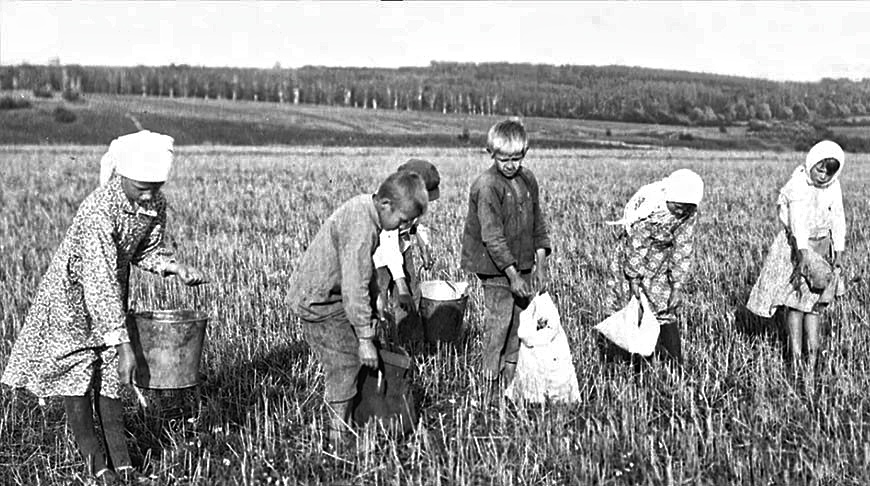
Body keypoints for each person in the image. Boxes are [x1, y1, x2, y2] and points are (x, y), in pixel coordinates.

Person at [1, 130, 207, 485]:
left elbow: (144, 250)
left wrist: (174, 267)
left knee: (111, 380)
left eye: (156, 187)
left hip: (111, 292)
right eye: (142, 187)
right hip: (73, 299)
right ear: (122, 175)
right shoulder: (99, 210)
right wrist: (123, 343)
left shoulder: (154, 203)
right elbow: (97, 282)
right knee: (79, 376)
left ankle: (123, 465)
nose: (150, 194)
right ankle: (97, 466)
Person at [288, 171, 428, 449]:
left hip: (331, 294)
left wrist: (375, 299)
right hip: (319, 301)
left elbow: (363, 271)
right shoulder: (362, 227)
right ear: (386, 204)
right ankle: (336, 436)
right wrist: (364, 338)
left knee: (353, 357)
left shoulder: (367, 209)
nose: (403, 227)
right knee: (346, 362)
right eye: (402, 220)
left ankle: (354, 417)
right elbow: (353, 286)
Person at [460, 118, 551, 396]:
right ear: (491, 153)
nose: (510, 165)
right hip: (495, 269)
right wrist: (512, 276)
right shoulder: (487, 186)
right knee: (498, 325)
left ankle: (510, 382)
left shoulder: (528, 179)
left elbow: (538, 223)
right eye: (503, 159)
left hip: (522, 265)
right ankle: (488, 386)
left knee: (519, 324)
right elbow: (492, 237)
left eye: (516, 158)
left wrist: (540, 265)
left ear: (524, 153)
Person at [747, 140, 846, 384]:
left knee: (814, 304)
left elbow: (838, 218)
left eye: (828, 172)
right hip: (796, 246)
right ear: (812, 163)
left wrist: (838, 253)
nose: (822, 176)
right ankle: (796, 357)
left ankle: (812, 358)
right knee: (795, 303)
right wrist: (803, 255)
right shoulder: (798, 183)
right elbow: (798, 222)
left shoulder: (833, 187)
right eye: (819, 170)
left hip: (821, 245)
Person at [603, 168, 704, 364]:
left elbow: (683, 249)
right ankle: (628, 363)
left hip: (660, 262)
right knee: (631, 307)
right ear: (669, 196)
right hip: (631, 261)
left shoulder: (688, 213)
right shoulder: (649, 210)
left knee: (665, 308)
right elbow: (637, 246)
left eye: (686, 209)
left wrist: (677, 286)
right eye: (678, 206)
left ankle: (675, 364)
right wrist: (633, 279)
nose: (681, 212)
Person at [372, 159, 441, 346]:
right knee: (378, 301)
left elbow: (416, 224)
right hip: (380, 257)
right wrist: (401, 286)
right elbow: (389, 247)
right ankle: (377, 345)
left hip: (403, 249)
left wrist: (424, 247)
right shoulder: (389, 205)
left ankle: (408, 344)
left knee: (412, 298)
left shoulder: (412, 201)